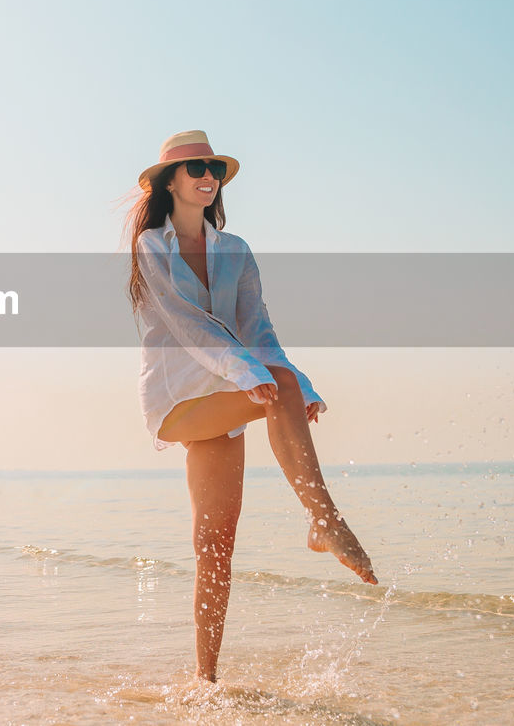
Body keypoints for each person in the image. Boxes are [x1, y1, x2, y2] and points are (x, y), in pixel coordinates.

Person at [126, 129, 378, 684]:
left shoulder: (235, 250)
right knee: (277, 385)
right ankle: (325, 519)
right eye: (195, 168)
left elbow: (258, 327)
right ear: (170, 181)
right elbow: (187, 326)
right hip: (178, 399)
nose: (207, 176)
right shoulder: (152, 248)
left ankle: (205, 682)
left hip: (229, 394)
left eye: (213, 167)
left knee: (215, 547)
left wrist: (299, 389)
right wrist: (256, 378)